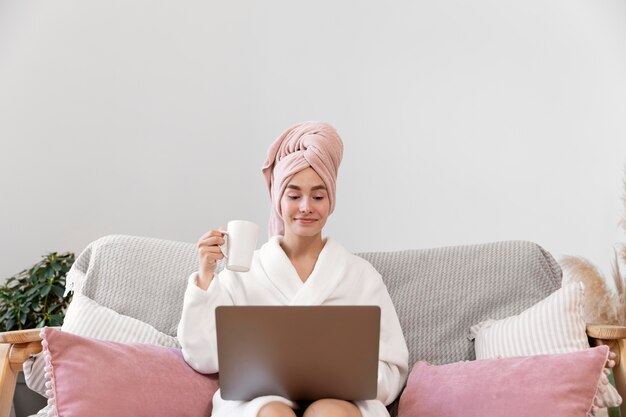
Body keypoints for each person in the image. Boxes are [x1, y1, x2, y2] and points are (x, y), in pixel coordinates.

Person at [178, 122, 409, 417]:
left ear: (331, 201)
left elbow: (392, 368)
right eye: (294, 195)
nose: (305, 207)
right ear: (278, 200)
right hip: (259, 401)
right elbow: (202, 356)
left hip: (342, 402)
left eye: (317, 196)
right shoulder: (243, 271)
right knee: (273, 414)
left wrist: (340, 379)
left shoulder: (360, 275)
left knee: (329, 413)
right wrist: (206, 274)